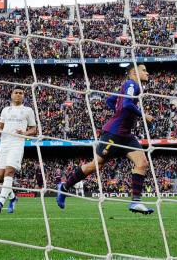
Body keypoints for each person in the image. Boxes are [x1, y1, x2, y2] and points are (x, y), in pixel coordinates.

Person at [57, 64, 155, 214]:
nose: (147, 73)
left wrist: (119, 113)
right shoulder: (131, 84)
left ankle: (135, 202)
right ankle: (64, 187)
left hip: (126, 135)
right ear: (134, 72)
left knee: (142, 163)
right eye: (144, 70)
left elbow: (110, 100)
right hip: (113, 135)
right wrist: (143, 115)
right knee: (96, 165)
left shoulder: (130, 86)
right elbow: (127, 104)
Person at [0, 88, 37, 214]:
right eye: (16, 93)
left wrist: (25, 132)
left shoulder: (28, 111)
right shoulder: (5, 110)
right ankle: (13, 198)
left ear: (23, 96)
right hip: (4, 144)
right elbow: (0, 126)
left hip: (17, 144)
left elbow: (34, 130)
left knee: (10, 172)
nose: (18, 95)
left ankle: (0, 202)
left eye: (21, 93)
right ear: (11, 95)